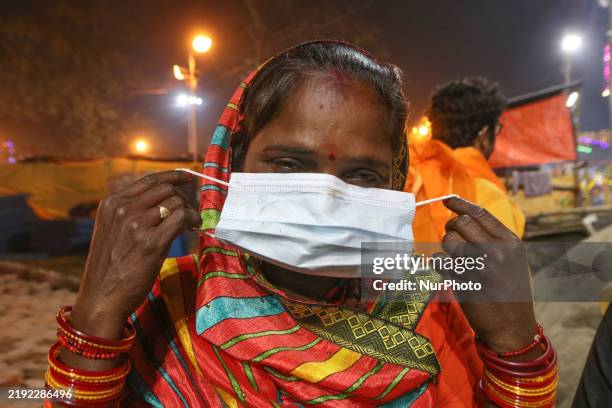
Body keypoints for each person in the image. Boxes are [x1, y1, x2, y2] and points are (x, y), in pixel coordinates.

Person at [45, 42, 556, 407]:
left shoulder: (438, 309)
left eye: (362, 174)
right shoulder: (167, 306)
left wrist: (514, 342)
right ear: (232, 165)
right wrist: (96, 316)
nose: (327, 198)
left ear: (397, 183)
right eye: (289, 164)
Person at [408, 78, 525, 243]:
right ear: (484, 135)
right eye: (497, 129)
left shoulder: (407, 178)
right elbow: (508, 266)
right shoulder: (488, 198)